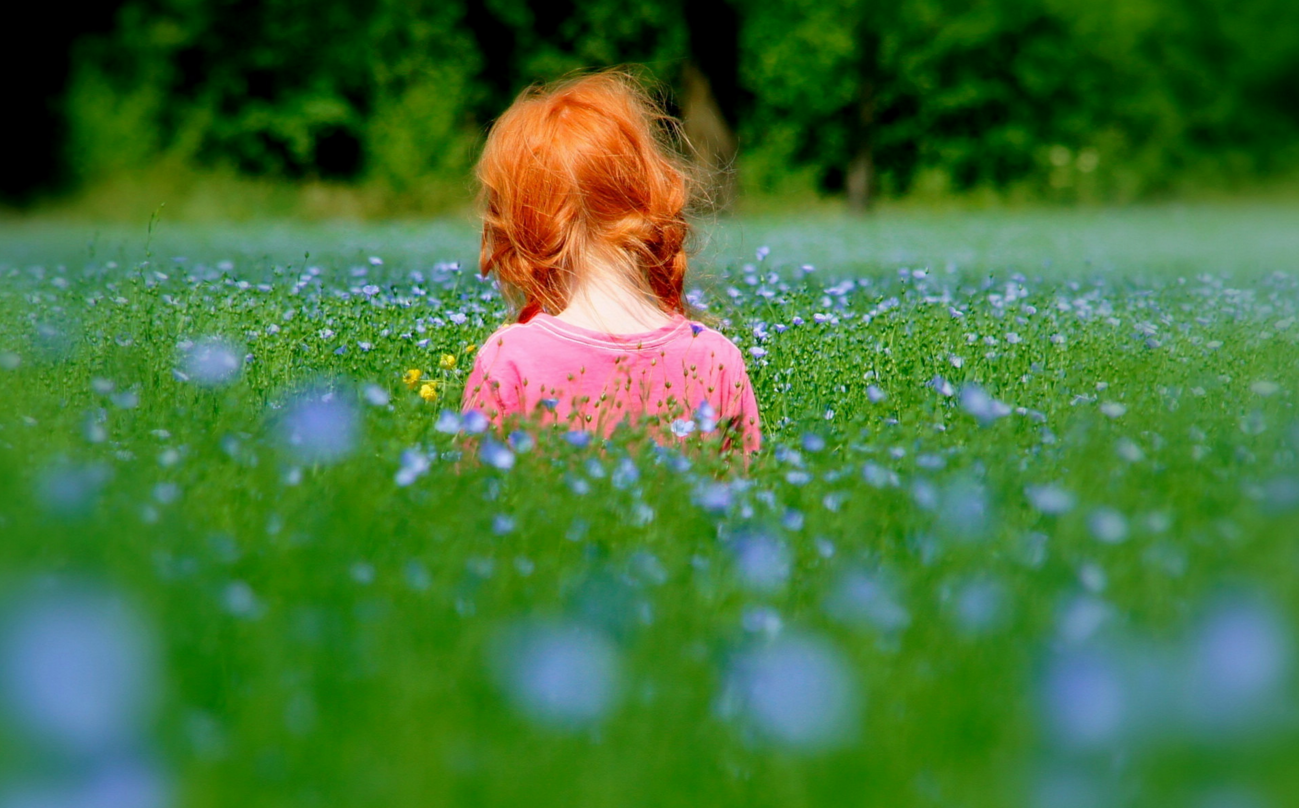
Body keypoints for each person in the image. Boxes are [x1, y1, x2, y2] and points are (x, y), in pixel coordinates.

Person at [461, 70, 760, 454]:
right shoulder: (717, 361)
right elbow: (744, 502)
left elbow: (468, 501)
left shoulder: (511, 360)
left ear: (520, 229)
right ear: (651, 194)